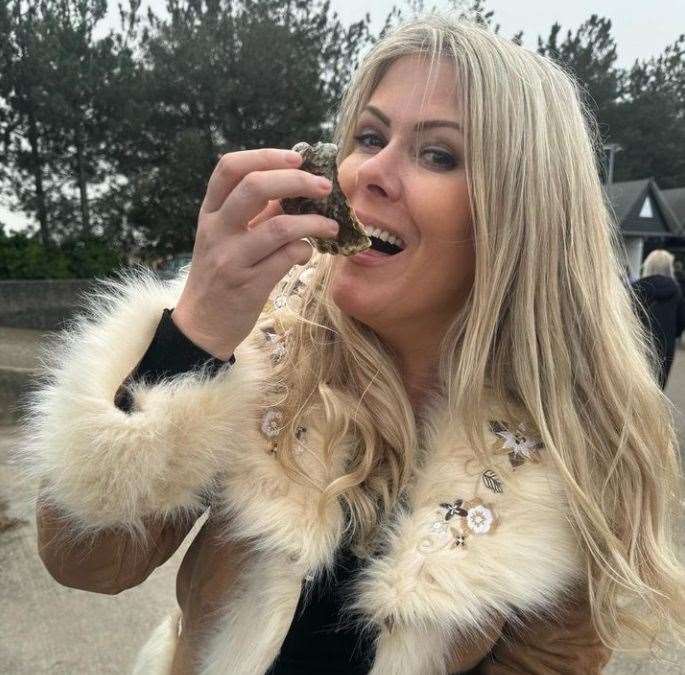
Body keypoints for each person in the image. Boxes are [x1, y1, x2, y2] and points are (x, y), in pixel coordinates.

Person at [16, 14, 684, 675]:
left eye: (437, 154)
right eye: (369, 136)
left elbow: (550, 662)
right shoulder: (262, 351)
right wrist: (193, 334)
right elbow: (86, 562)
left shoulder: (576, 444)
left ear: (518, 217)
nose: (368, 173)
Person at [631, 249, 685, 389]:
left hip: (639, 344)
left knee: (634, 386)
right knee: (657, 389)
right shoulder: (675, 291)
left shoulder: (636, 288)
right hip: (666, 346)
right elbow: (680, 323)